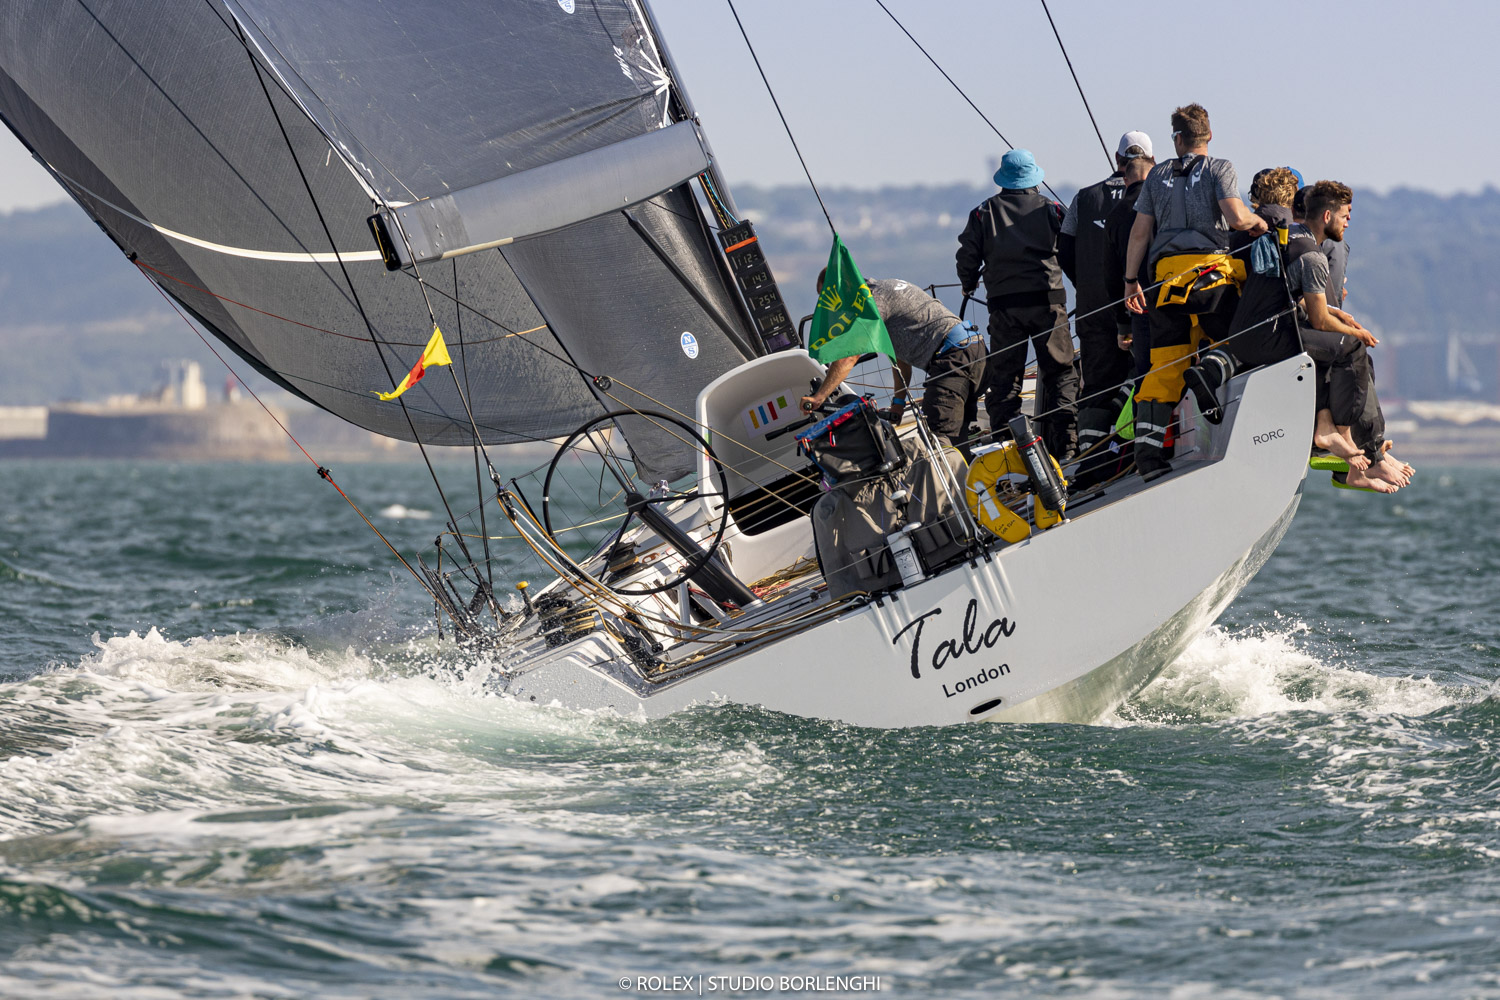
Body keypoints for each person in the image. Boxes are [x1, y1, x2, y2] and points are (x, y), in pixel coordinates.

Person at [1123, 104, 1267, 480]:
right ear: (1210, 136)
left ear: (1177, 139)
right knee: (1238, 341)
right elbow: (1236, 218)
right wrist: (1258, 222)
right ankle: (1210, 373)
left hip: (1165, 284)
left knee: (1165, 367)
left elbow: (1139, 233)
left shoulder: (1156, 177)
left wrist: (1130, 281)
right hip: (1211, 279)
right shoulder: (1220, 168)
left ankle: (1148, 457)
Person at [1288, 181, 1412, 491]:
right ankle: (1357, 448)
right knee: (1352, 348)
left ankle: (1363, 449)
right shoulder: (1315, 250)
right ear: (1327, 215)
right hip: (1283, 334)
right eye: (1346, 214)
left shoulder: (1300, 243)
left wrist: (1339, 315)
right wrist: (1352, 328)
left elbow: (1306, 300)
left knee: (1361, 361)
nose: (1349, 220)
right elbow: (1317, 317)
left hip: (1291, 327)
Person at [956, 149, 1078, 459]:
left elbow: (966, 257)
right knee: (1061, 374)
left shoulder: (982, 213)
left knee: (1006, 383)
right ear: (1034, 177)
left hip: (1004, 308)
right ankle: (1066, 447)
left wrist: (969, 283)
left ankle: (1008, 454)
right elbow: (1071, 251)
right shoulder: (1052, 210)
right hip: (1048, 303)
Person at [800, 276, 985, 448]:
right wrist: (898, 403)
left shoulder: (872, 301)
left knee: (939, 437)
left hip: (953, 357)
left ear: (843, 288)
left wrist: (819, 397)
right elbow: (901, 361)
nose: (830, 306)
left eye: (828, 297)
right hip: (973, 349)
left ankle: (955, 482)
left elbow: (850, 356)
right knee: (958, 439)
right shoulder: (883, 289)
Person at [1061, 131, 1154, 465]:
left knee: (1097, 385)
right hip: (1141, 306)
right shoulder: (1154, 197)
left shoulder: (1084, 198)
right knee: (1144, 376)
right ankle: (1136, 455)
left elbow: (1064, 250)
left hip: (1093, 308)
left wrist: (1087, 285)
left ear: (1117, 161)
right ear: (1151, 160)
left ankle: (1092, 462)